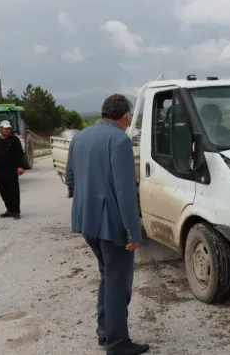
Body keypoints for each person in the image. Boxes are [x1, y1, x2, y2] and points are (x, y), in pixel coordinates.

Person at [67, 94, 149, 355]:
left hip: (86, 221)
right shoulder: (119, 140)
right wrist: (132, 231)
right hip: (111, 225)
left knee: (107, 276)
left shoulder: (79, 137)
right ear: (125, 117)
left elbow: (70, 178)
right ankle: (117, 343)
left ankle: (105, 332)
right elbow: (125, 192)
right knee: (118, 282)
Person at [0, 120, 25, 219]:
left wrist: (20, 166)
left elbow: (20, 154)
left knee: (13, 191)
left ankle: (16, 211)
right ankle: (9, 209)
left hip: (12, 170)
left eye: (9, 129)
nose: (8, 130)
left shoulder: (14, 140)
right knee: (4, 192)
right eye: (6, 129)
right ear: (1, 129)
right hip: (0, 171)